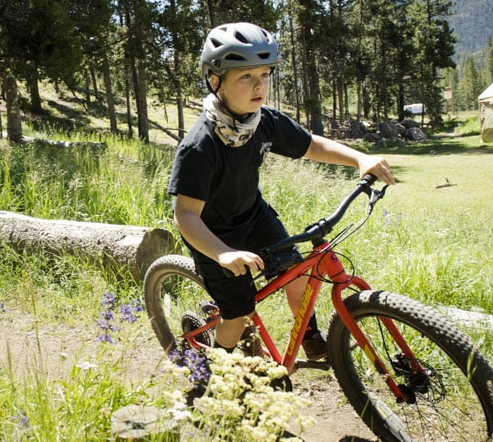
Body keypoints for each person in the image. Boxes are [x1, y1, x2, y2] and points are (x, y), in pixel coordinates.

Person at [167, 22, 395, 360]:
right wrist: (223, 254)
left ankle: (310, 336)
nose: (259, 85)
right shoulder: (200, 146)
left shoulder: (262, 120)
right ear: (216, 81)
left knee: (296, 273)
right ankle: (217, 363)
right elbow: (185, 215)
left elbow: (309, 145)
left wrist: (359, 158)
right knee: (239, 314)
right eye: (245, 76)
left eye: (265, 74)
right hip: (212, 235)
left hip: (252, 216)